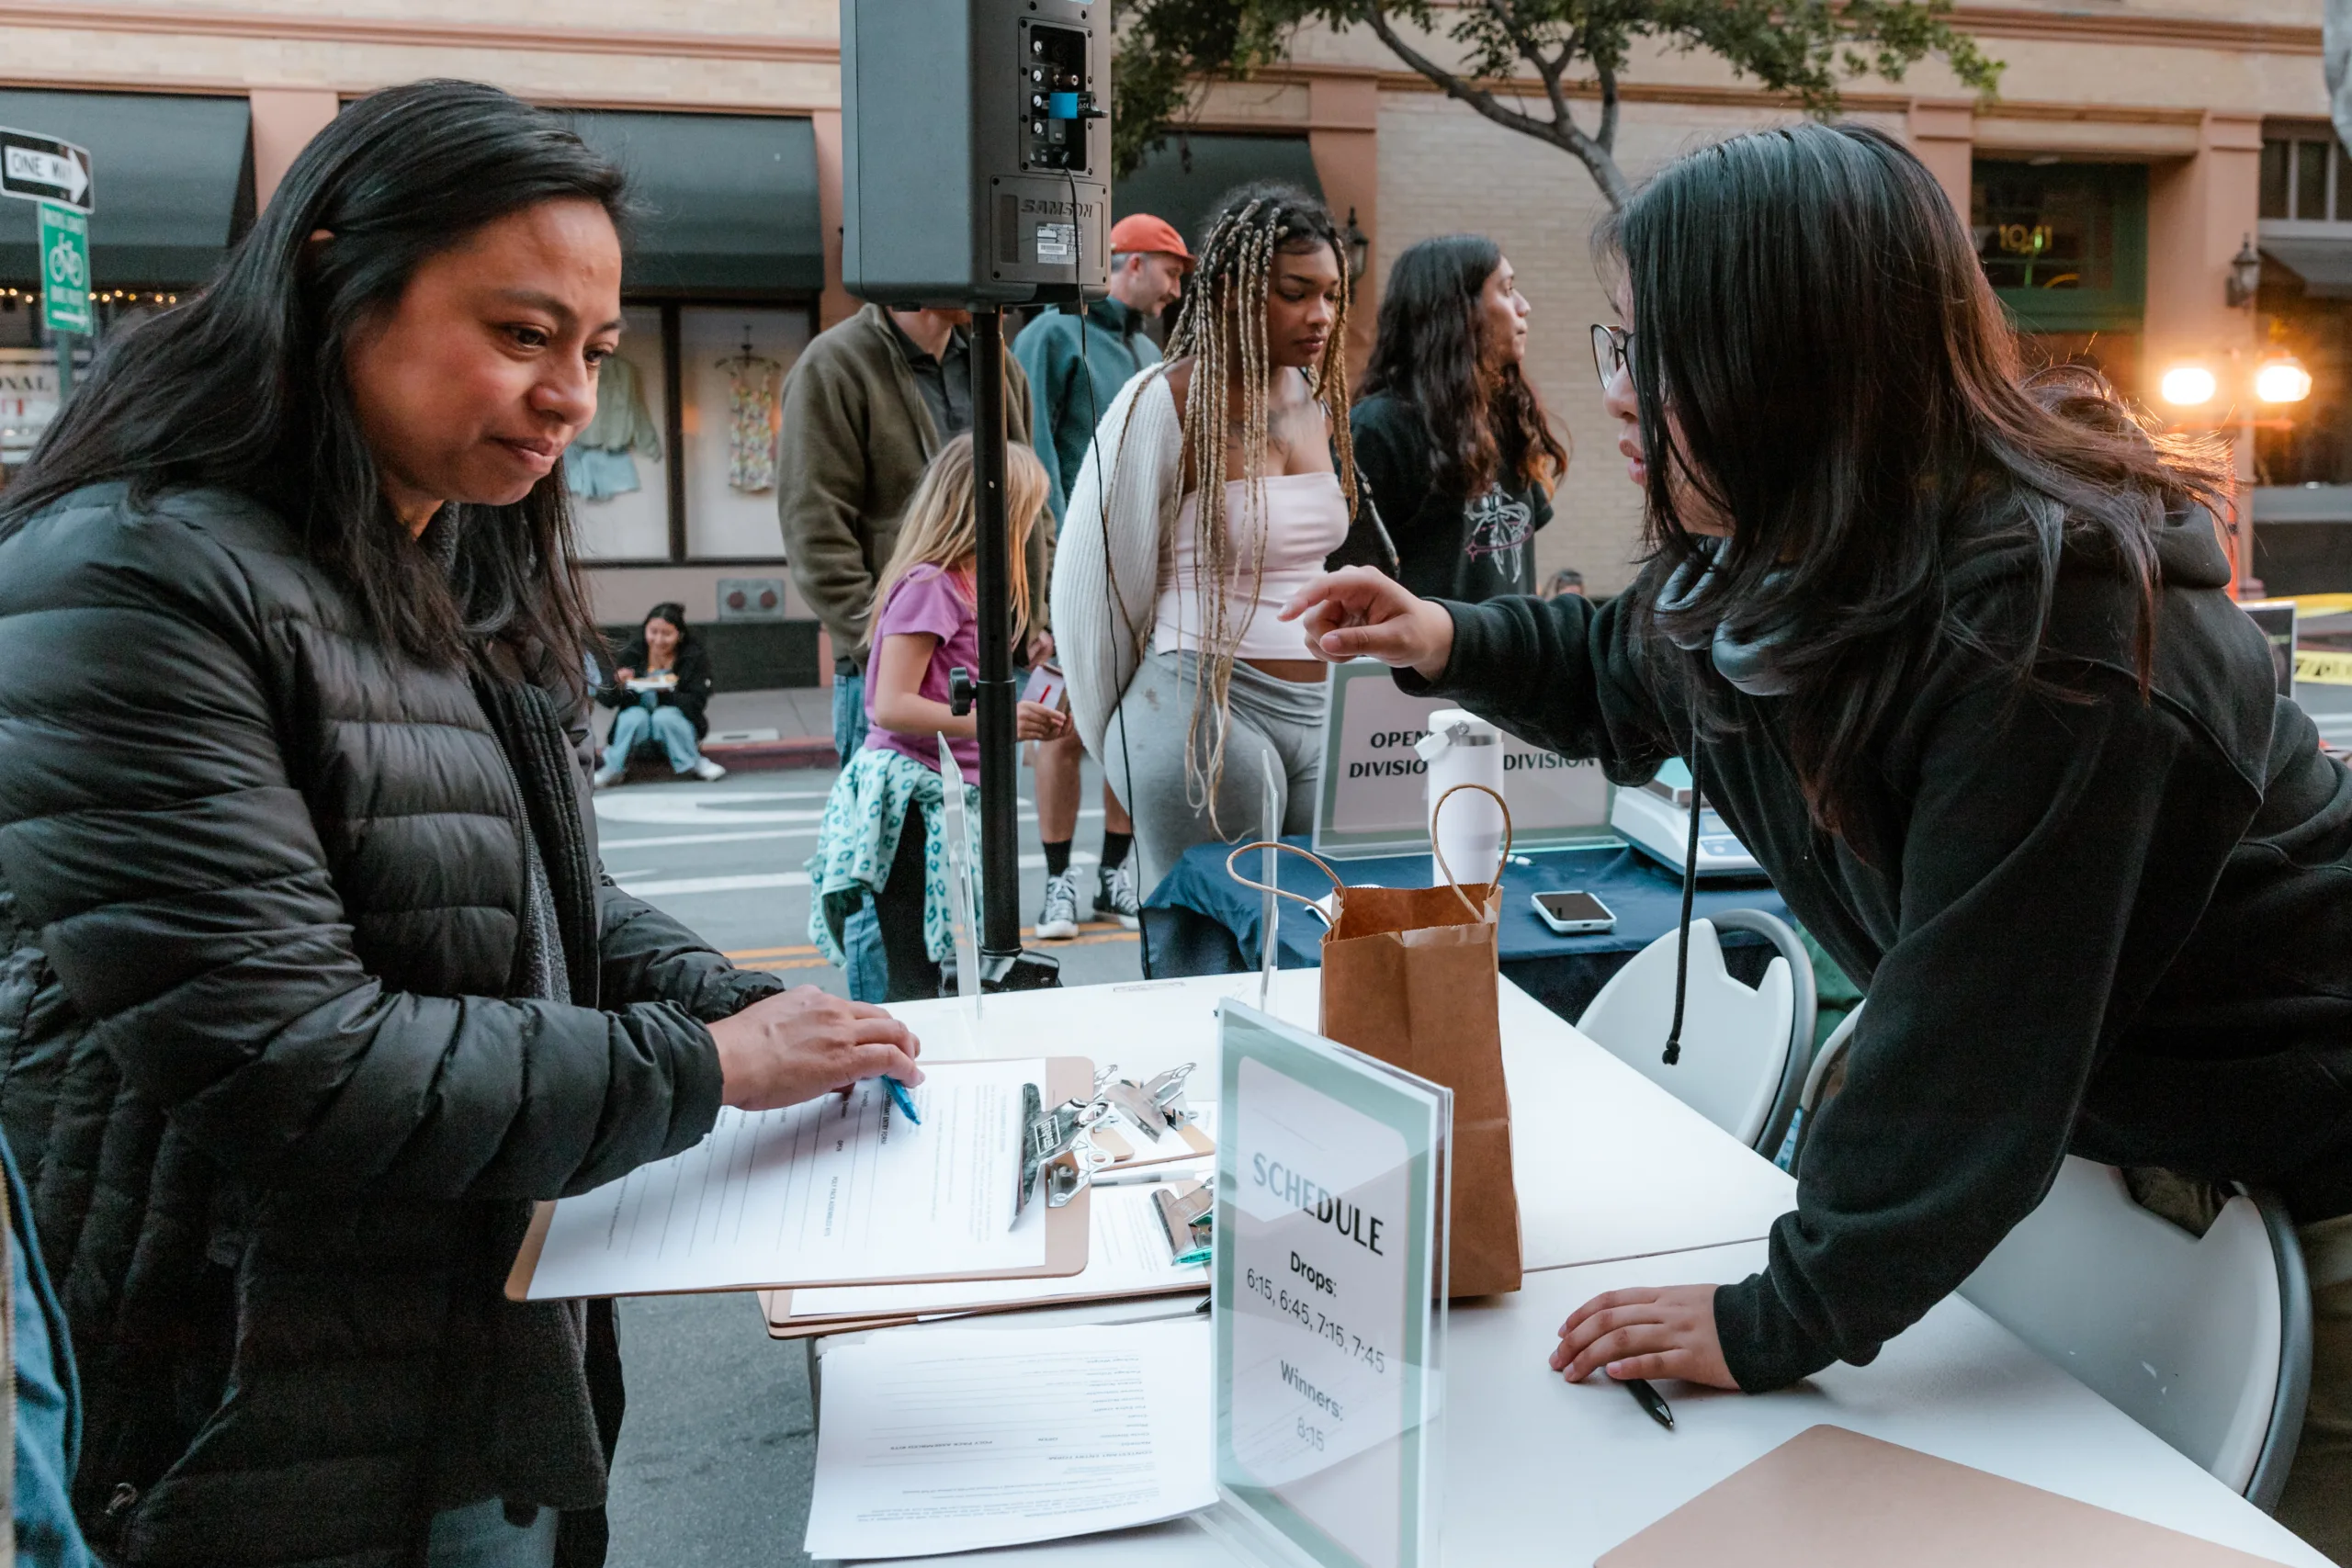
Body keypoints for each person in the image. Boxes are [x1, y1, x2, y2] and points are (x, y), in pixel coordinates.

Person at [1280, 121, 2352, 1554]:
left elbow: (1968, 1039)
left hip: (2308, 1196)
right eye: (1618, 347)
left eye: (1648, 356)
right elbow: (1629, 661)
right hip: (2136, 1173)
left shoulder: (2053, 631)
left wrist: (1782, 1311)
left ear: (1785, 363)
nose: (1617, 397)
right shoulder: (1797, 556)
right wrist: (1446, 634)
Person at [0, 80, 924, 1566]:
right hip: (248, 1410)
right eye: (520, 335)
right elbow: (284, 1053)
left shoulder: (465, 557)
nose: (572, 393)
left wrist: (737, 999)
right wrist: (705, 1065)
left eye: (597, 351)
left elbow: (551, 907)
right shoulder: (127, 582)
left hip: (490, 1348)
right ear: (330, 280)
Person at [1054, 182, 1392, 912]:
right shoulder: (1162, 399)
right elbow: (1090, 596)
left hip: (1319, 711)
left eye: (1333, 294)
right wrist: (1118, 740)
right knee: (1211, 961)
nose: (1322, 315)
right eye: (1296, 292)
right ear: (1234, 288)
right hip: (1196, 710)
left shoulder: (1315, 402)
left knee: (1320, 952)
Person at [808, 435, 1069, 1000]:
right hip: (912, 798)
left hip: (947, 793)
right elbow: (890, 704)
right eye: (1025, 511)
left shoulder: (971, 587)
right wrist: (997, 721)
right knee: (917, 976)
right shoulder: (933, 586)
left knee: (951, 969)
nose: (1028, 528)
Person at [1012, 213, 1191, 938]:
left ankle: (1117, 871)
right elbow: (1031, 457)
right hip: (1067, 568)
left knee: (1128, 724)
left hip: (1140, 570)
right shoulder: (1052, 335)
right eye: (1170, 269)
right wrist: (1048, 574)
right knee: (1057, 727)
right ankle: (1059, 881)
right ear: (1129, 262)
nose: (1177, 286)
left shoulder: (1148, 348)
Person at [777, 299, 1049, 767]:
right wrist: (880, 648)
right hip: (891, 678)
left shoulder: (996, 361)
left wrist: (1035, 616)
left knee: (981, 833)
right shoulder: (835, 364)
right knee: (897, 836)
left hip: (991, 662)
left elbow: (1031, 504)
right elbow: (814, 528)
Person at [1352, 235, 1568, 601]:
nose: (1524, 306)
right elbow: (1353, 574)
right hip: (1426, 657)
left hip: (1513, 653)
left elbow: (1519, 570)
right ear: (1458, 311)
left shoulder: (1506, 414)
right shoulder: (1379, 428)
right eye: (1507, 289)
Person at [594, 601, 726, 785]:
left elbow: (697, 703)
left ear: (679, 635)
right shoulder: (634, 654)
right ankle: (613, 768)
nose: (658, 640)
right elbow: (606, 699)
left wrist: (668, 693)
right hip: (639, 730)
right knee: (633, 716)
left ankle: (694, 762)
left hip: (677, 726)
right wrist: (617, 683)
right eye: (653, 632)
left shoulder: (692, 657)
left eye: (666, 634)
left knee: (664, 717)